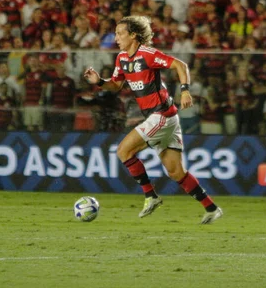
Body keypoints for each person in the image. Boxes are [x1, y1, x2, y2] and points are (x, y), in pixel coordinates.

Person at [84, 16, 223, 224]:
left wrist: (185, 91)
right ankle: (212, 208)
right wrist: (100, 82)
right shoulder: (122, 58)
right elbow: (116, 85)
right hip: (164, 117)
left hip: (162, 115)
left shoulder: (147, 55)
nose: (116, 37)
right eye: (115, 33)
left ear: (133, 35)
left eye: (120, 33)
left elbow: (180, 65)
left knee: (123, 151)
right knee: (176, 172)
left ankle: (151, 196)